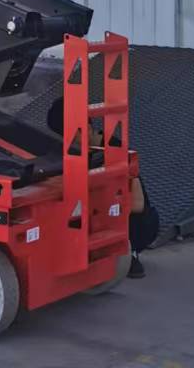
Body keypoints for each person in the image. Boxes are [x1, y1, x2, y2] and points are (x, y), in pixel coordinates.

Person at [46, 97, 158, 276]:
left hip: (134, 225)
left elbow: (137, 205)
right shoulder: (76, 153)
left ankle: (130, 254)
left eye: (69, 138)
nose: (66, 144)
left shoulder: (116, 152)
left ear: (86, 129)